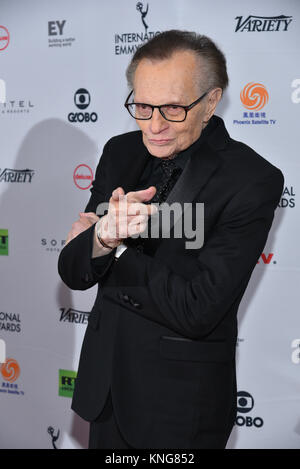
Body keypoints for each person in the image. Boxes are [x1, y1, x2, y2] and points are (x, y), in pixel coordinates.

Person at [58, 30, 284, 449]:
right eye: (142, 106)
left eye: (174, 109)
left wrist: (112, 243)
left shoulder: (251, 180)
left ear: (211, 102)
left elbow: (197, 308)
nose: (154, 124)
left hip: (180, 406)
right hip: (104, 391)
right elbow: (74, 271)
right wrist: (98, 242)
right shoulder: (120, 152)